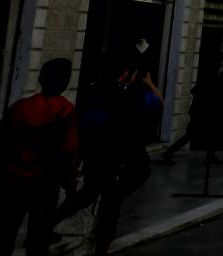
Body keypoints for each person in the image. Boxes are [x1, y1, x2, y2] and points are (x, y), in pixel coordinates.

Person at [57, 50, 162, 256]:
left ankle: (48, 225)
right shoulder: (129, 95)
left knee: (87, 194)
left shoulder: (90, 93)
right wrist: (149, 83)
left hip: (94, 156)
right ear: (124, 73)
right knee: (110, 203)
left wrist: (75, 164)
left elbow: (80, 130)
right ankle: (101, 247)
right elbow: (158, 104)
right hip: (120, 159)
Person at [0, 58, 78, 256]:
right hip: (45, 184)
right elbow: (69, 152)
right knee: (38, 240)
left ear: (41, 79)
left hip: (13, 180)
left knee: (4, 237)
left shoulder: (20, 107)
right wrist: (70, 188)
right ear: (65, 82)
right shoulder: (66, 110)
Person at [161, 73, 222, 165]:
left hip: (199, 114)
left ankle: (169, 152)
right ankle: (168, 152)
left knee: (203, 136)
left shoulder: (201, 88)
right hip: (201, 115)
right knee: (197, 136)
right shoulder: (207, 88)